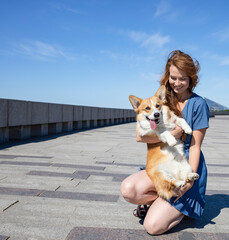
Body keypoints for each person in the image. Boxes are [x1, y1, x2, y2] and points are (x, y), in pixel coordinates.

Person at [120, 50, 209, 235]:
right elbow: (140, 136)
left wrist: (189, 182)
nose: (177, 83)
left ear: (191, 78)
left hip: (184, 165)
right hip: (161, 163)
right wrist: (173, 134)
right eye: (173, 77)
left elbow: (194, 146)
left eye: (182, 79)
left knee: (152, 227)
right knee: (128, 189)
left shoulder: (198, 104)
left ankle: (184, 211)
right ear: (167, 76)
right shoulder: (162, 99)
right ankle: (159, 203)